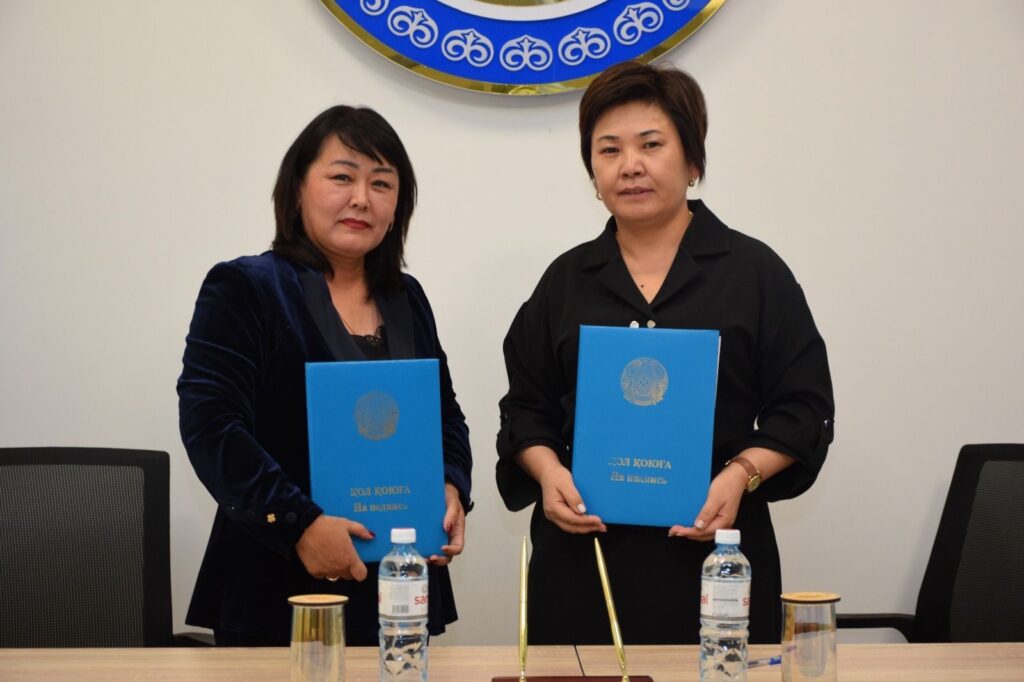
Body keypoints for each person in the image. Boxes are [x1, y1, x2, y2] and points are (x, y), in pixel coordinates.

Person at [496, 61, 834, 645]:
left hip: (716, 563)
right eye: (609, 150)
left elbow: (803, 410)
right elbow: (525, 408)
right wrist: (547, 473)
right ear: (592, 171)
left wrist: (740, 475)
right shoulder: (565, 281)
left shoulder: (755, 274)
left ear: (693, 160)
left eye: (651, 144)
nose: (630, 165)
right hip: (583, 566)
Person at [178, 105, 472, 646]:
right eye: (342, 177)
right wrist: (300, 525)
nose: (361, 198)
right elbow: (211, 425)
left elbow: (444, 415)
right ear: (297, 190)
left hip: (398, 585)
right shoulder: (246, 287)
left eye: (381, 183)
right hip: (276, 584)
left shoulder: (406, 297)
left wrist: (452, 485)